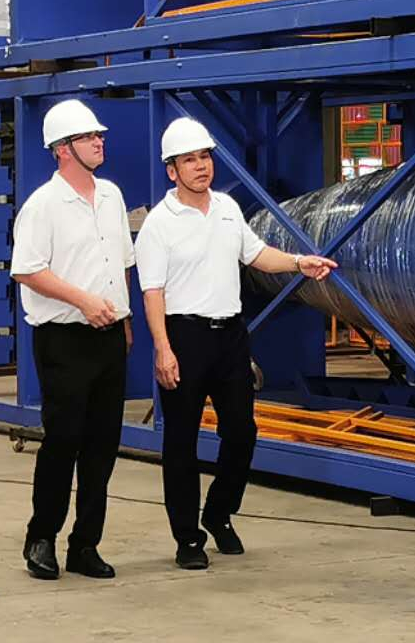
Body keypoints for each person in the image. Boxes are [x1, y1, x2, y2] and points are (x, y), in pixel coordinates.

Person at [135, 117, 338, 570]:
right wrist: (163, 349)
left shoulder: (227, 208)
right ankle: (188, 538)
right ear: (172, 170)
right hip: (184, 336)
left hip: (230, 336)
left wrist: (299, 263)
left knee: (242, 432)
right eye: (190, 160)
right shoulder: (159, 225)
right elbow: (152, 293)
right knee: (181, 441)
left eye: (205, 157)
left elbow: (256, 254)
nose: (201, 166)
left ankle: (218, 513)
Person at [11, 100, 133, 582]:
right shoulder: (42, 205)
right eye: (87, 137)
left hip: (109, 337)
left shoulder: (112, 197)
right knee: (63, 442)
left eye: (99, 135)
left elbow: (122, 263)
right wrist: (82, 300)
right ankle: (41, 537)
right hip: (63, 339)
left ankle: (85, 544)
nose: (99, 142)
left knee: (102, 446)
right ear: (62, 149)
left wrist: (123, 320)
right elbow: (27, 269)